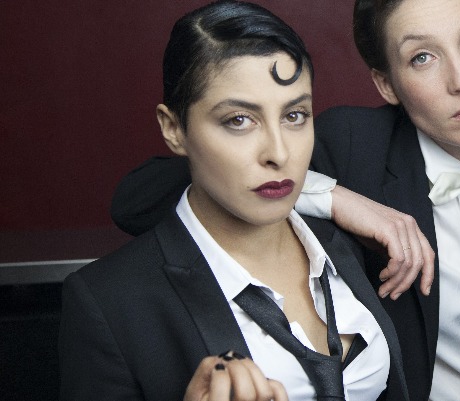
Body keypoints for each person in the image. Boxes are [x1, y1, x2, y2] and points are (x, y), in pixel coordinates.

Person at [110, 0, 460, 399]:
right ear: (386, 84)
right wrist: (336, 198)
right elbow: (138, 198)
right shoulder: (351, 144)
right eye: (422, 57)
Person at [58, 2, 408, 400]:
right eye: (239, 120)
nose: (278, 153)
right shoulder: (108, 302)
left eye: (294, 115)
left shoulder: (348, 244)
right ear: (173, 128)